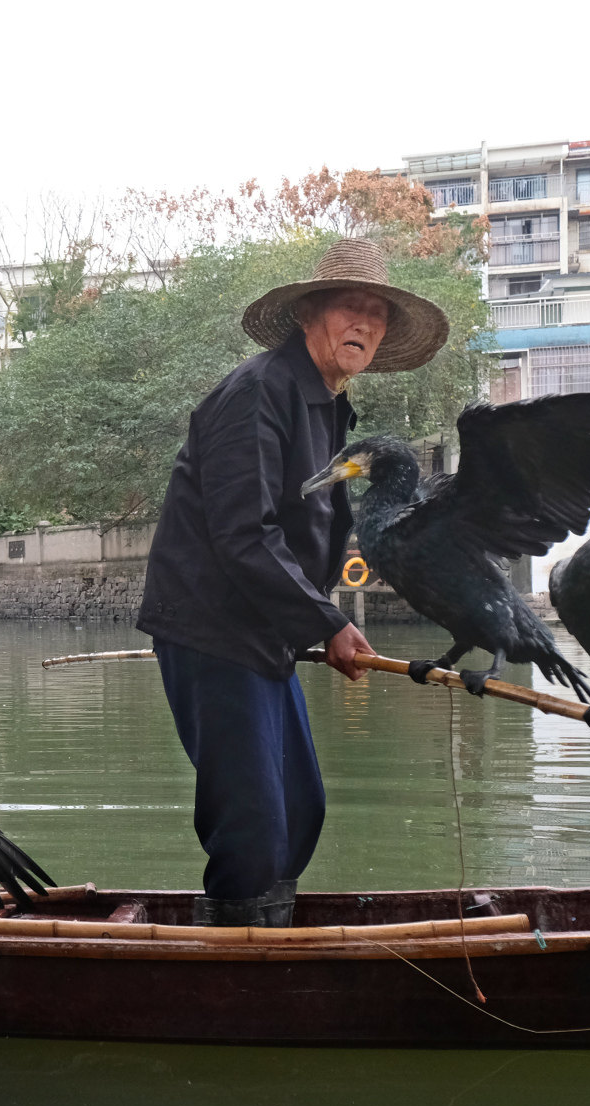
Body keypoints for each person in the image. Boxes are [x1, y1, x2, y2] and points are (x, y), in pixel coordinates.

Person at [136, 237, 450, 926]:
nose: (364, 323)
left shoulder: (328, 407)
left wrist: (315, 618)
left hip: (265, 636)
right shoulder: (258, 394)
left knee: (300, 808)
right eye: (349, 306)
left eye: (377, 312)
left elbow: (309, 530)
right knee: (251, 823)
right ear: (311, 313)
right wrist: (327, 622)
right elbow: (244, 534)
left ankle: (260, 932)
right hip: (212, 630)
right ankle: (233, 959)